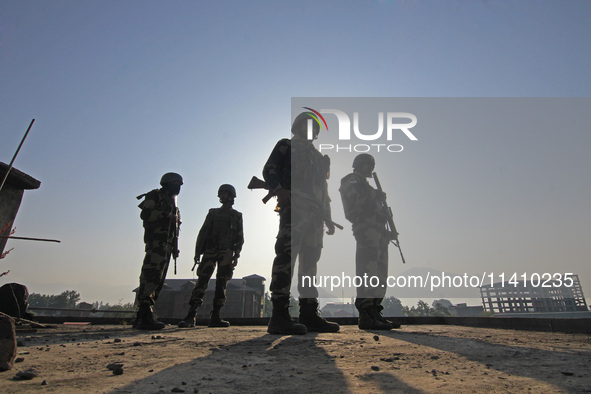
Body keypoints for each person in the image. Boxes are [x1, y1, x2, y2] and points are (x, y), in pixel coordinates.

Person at [263, 111, 340, 335]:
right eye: (307, 125)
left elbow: (324, 190)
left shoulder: (318, 157)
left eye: (314, 127)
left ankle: (309, 313)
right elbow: (269, 170)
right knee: (286, 258)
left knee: (310, 264)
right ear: (297, 127)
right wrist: (279, 190)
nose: (311, 130)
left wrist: (328, 216)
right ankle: (279, 316)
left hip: (316, 215)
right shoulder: (286, 146)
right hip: (295, 209)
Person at [339, 154, 400, 330]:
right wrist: (376, 195)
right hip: (366, 230)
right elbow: (357, 201)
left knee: (380, 272)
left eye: (371, 165)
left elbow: (376, 210)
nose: (369, 168)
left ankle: (375, 311)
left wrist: (388, 228)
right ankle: (365, 313)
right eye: (366, 164)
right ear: (358, 165)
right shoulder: (351, 180)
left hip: (379, 231)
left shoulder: (367, 186)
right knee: (368, 270)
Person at [178, 184, 244, 328]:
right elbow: (203, 232)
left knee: (222, 284)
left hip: (226, 253)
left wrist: (236, 255)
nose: (221, 196)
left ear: (231, 196)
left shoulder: (237, 216)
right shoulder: (213, 213)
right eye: (220, 194)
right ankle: (191, 315)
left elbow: (239, 237)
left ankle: (216, 316)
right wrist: (197, 252)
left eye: (224, 194)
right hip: (210, 251)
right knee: (202, 281)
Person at [134, 172, 182, 330]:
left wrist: (175, 247)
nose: (179, 187)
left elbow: (175, 228)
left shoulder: (173, 202)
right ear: (169, 183)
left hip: (167, 245)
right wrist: (166, 216)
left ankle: (145, 313)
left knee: (159, 280)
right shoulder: (155, 195)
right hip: (156, 243)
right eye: (177, 184)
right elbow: (145, 214)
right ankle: (144, 313)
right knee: (151, 276)